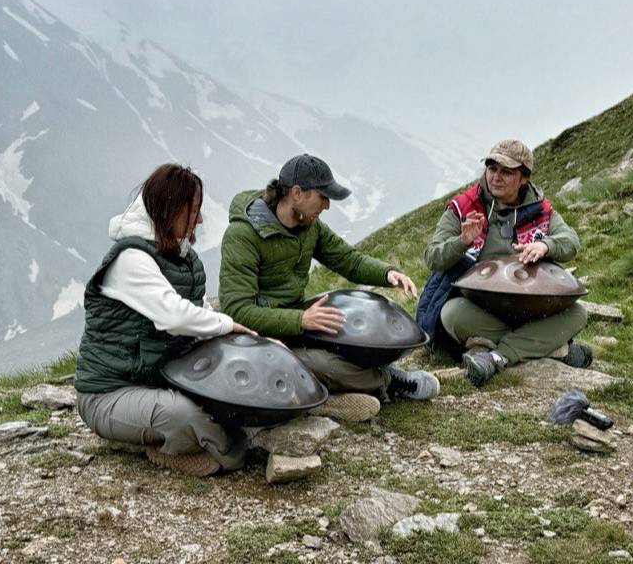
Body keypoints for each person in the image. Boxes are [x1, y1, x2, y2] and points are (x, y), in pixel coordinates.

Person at [218, 154, 439, 421]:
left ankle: (323, 394)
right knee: (325, 364)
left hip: (296, 321)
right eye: (322, 196)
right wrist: (301, 319)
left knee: (343, 331)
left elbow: (347, 260)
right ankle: (387, 382)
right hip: (255, 334)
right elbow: (237, 310)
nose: (327, 205)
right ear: (297, 193)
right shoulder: (242, 235)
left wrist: (387, 273)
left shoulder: (309, 225)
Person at [75, 163, 255, 477]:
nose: (198, 219)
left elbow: (199, 311)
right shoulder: (131, 259)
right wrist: (227, 325)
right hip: (109, 395)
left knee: (229, 400)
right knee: (186, 415)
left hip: (160, 381)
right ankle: (169, 448)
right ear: (171, 210)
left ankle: (184, 440)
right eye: (193, 210)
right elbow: (173, 315)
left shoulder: (182, 258)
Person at [417, 139, 588, 387]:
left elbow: (570, 241)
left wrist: (545, 245)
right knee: (451, 313)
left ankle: (495, 356)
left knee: (578, 313)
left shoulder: (540, 210)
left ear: (524, 178)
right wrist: (462, 241)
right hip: (478, 308)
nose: (495, 177)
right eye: (491, 168)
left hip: (529, 308)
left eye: (506, 172)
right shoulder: (464, 207)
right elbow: (432, 257)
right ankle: (552, 348)